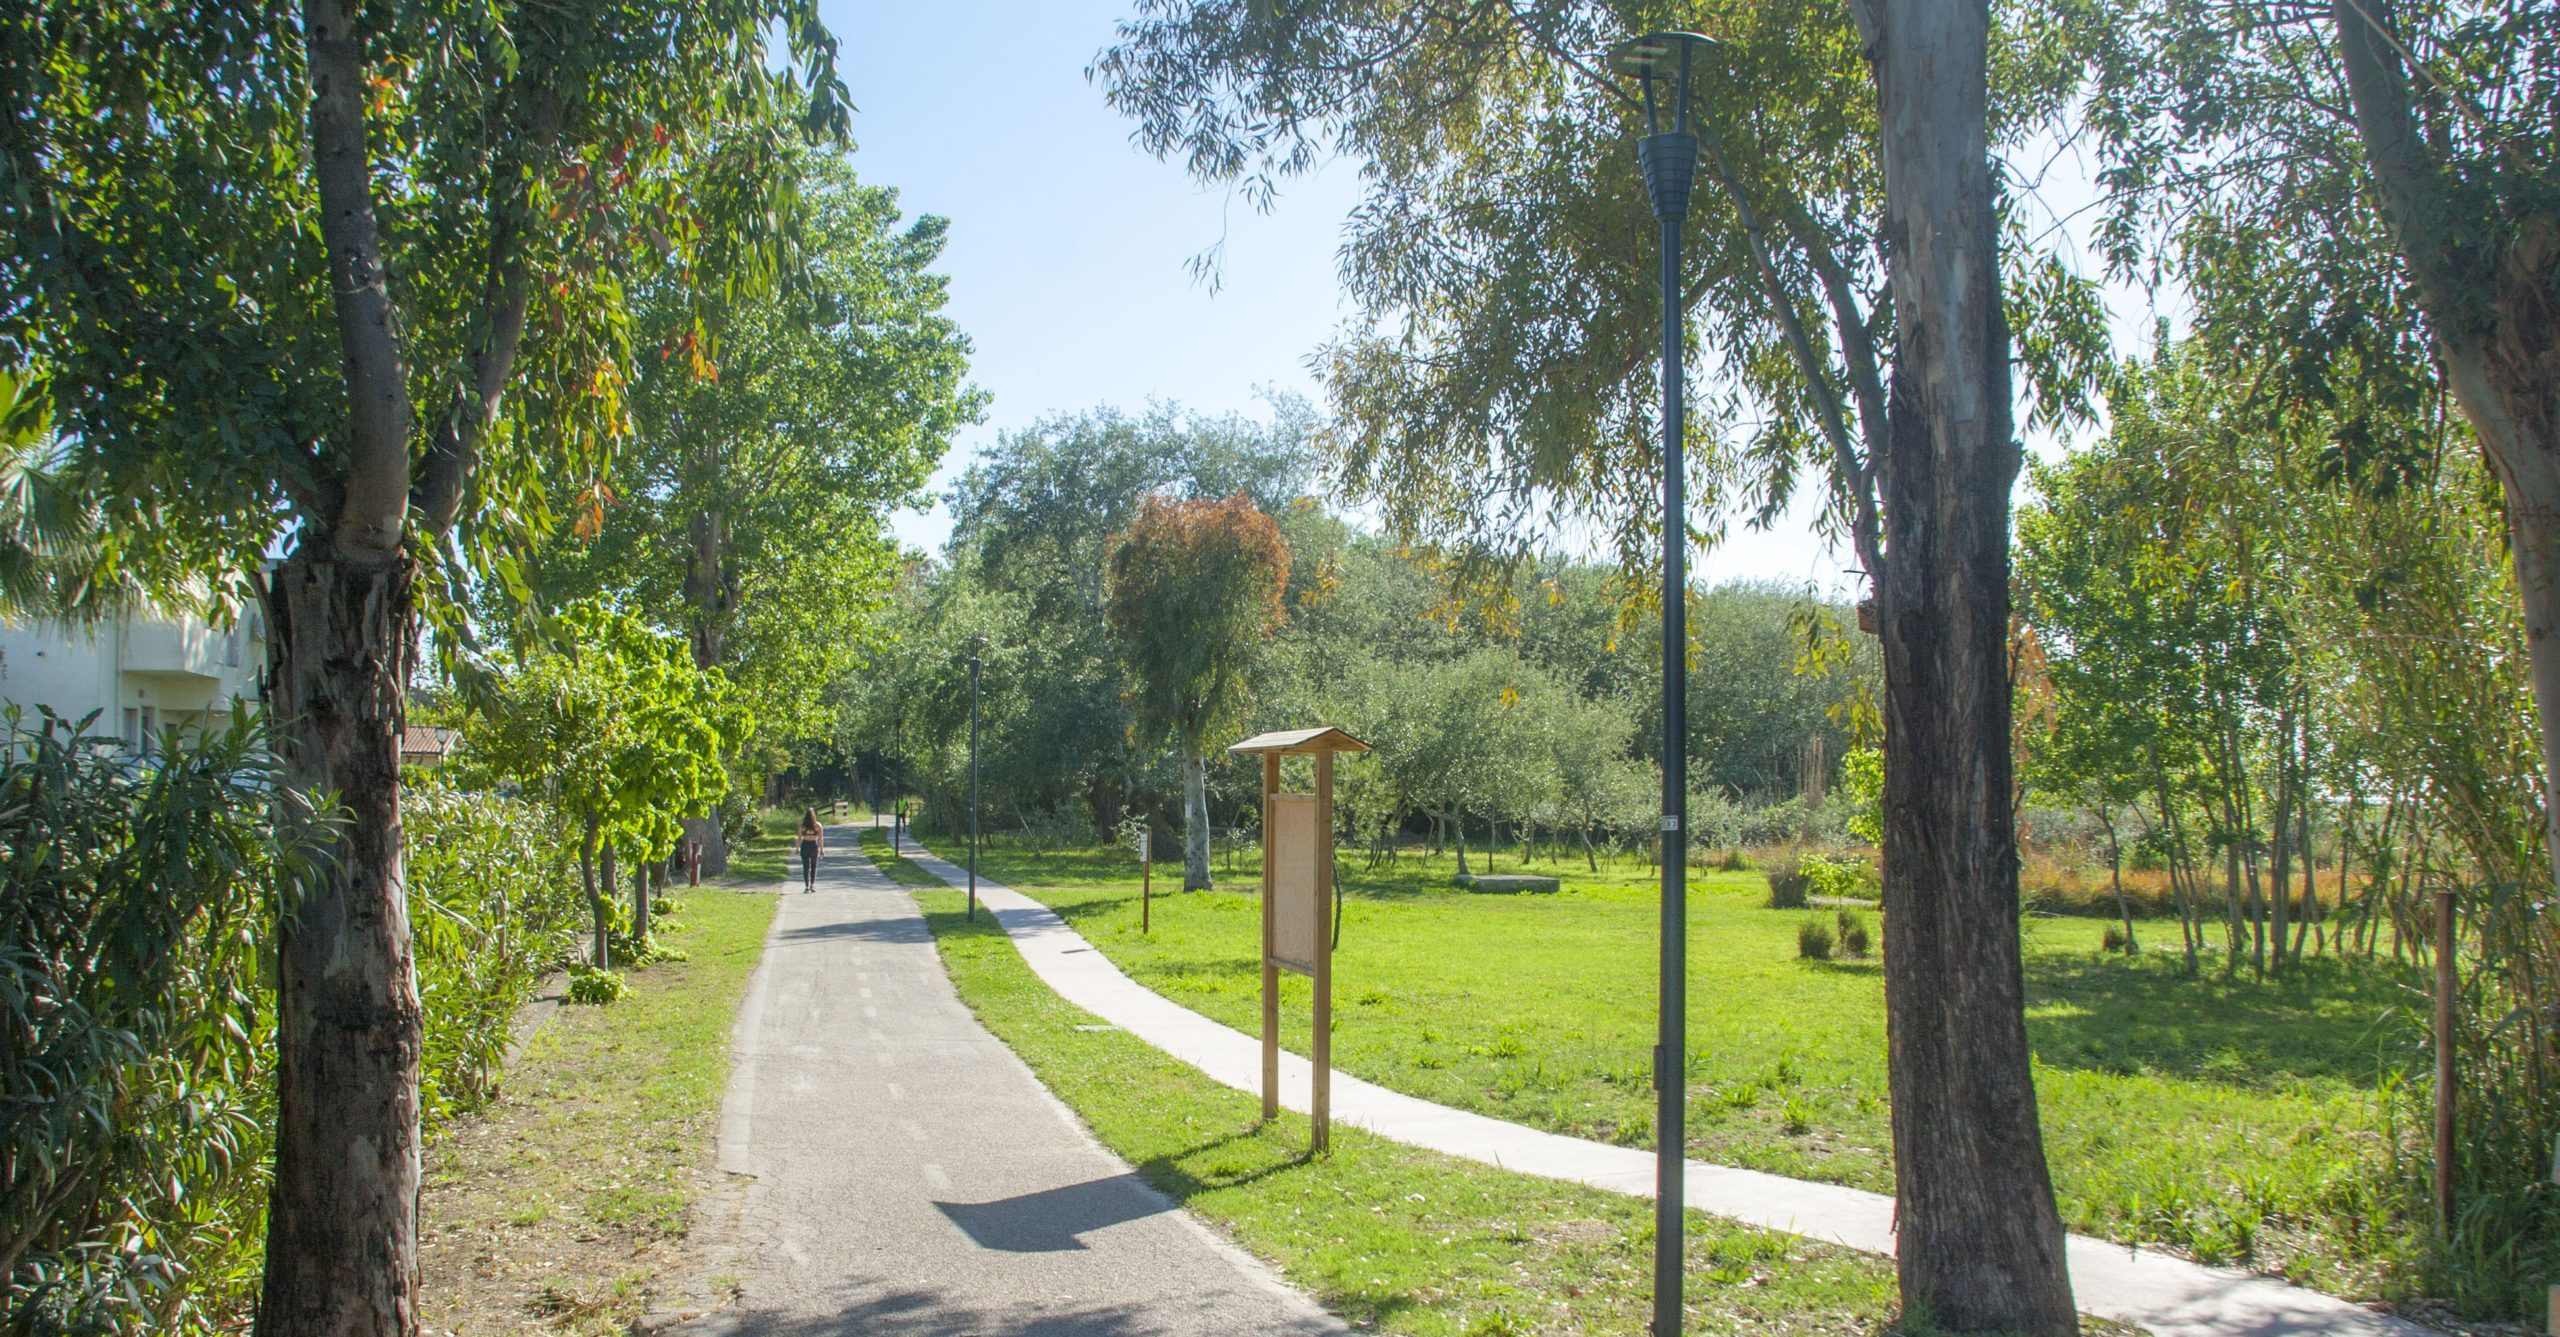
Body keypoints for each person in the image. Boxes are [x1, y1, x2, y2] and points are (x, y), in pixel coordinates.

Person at [797, 807, 823, 893]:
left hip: (805, 845)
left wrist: (797, 848)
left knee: (806, 867)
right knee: (814, 866)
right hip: (813, 845)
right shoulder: (818, 826)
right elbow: (820, 838)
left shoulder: (802, 826)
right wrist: (822, 849)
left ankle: (807, 886)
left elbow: (799, 838)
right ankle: (812, 885)